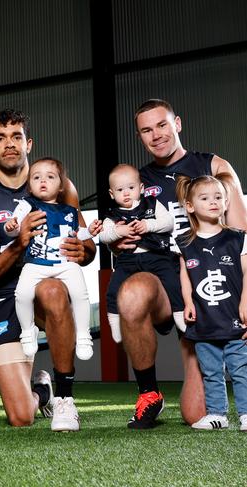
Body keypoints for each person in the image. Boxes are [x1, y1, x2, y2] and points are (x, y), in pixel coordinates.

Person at [116, 99, 247, 429]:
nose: (156, 135)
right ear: (139, 136)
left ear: (178, 124)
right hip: (165, 278)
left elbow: (242, 237)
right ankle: (149, 395)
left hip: (211, 283)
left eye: (162, 125)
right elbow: (120, 233)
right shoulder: (138, 181)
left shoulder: (213, 166)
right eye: (146, 130)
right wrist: (118, 237)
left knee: (195, 414)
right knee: (130, 294)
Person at [0, 109, 94, 431]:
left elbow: (86, 245)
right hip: (7, 296)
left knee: (51, 290)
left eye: (16, 137)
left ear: (28, 143)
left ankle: (65, 398)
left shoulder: (61, 186)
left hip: (48, 285)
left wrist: (85, 251)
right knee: (21, 417)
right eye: (0, 138)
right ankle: (42, 391)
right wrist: (18, 244)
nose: (9, 144)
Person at [4, 157, 102, 361]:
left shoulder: (70, 210)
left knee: (80, 294)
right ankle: (27, 331)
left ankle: (84, 336)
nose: (42, 181)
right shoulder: (26, 205)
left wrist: (90, 232)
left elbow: (78, 235)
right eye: (36, 177)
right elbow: (14, 231)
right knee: (21, 295)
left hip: (65, 263)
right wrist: (11, 227)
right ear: (29, 185)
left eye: (50, 177)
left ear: (60, 186)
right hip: (35, 263)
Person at [175, 174, 247, 431]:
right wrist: (188, 302)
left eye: (218, 197)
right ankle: (218, 414)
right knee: (211, 371)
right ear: (191, 206)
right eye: (205, 198)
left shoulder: (237, 238)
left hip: (234, 318)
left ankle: (246, 413)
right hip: (205, 321)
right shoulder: (184, 242)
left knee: (240, 369)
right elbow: (185, 274)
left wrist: (246, 302)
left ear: (226, 202)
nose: (213, 202)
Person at [99, 163, 180, 343]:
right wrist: (119, 232)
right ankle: (114, 321)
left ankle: (179, 312)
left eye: (131, 188)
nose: (126, 193)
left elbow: (168, 222)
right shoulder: (112, 214)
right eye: (120, 190)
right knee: (112, 290)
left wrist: (148, 225)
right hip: (128, 260)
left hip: (156, 255)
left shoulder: (151, 203)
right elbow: (103, 236)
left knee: (172, 281)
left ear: (141, 188)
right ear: (112, 194)